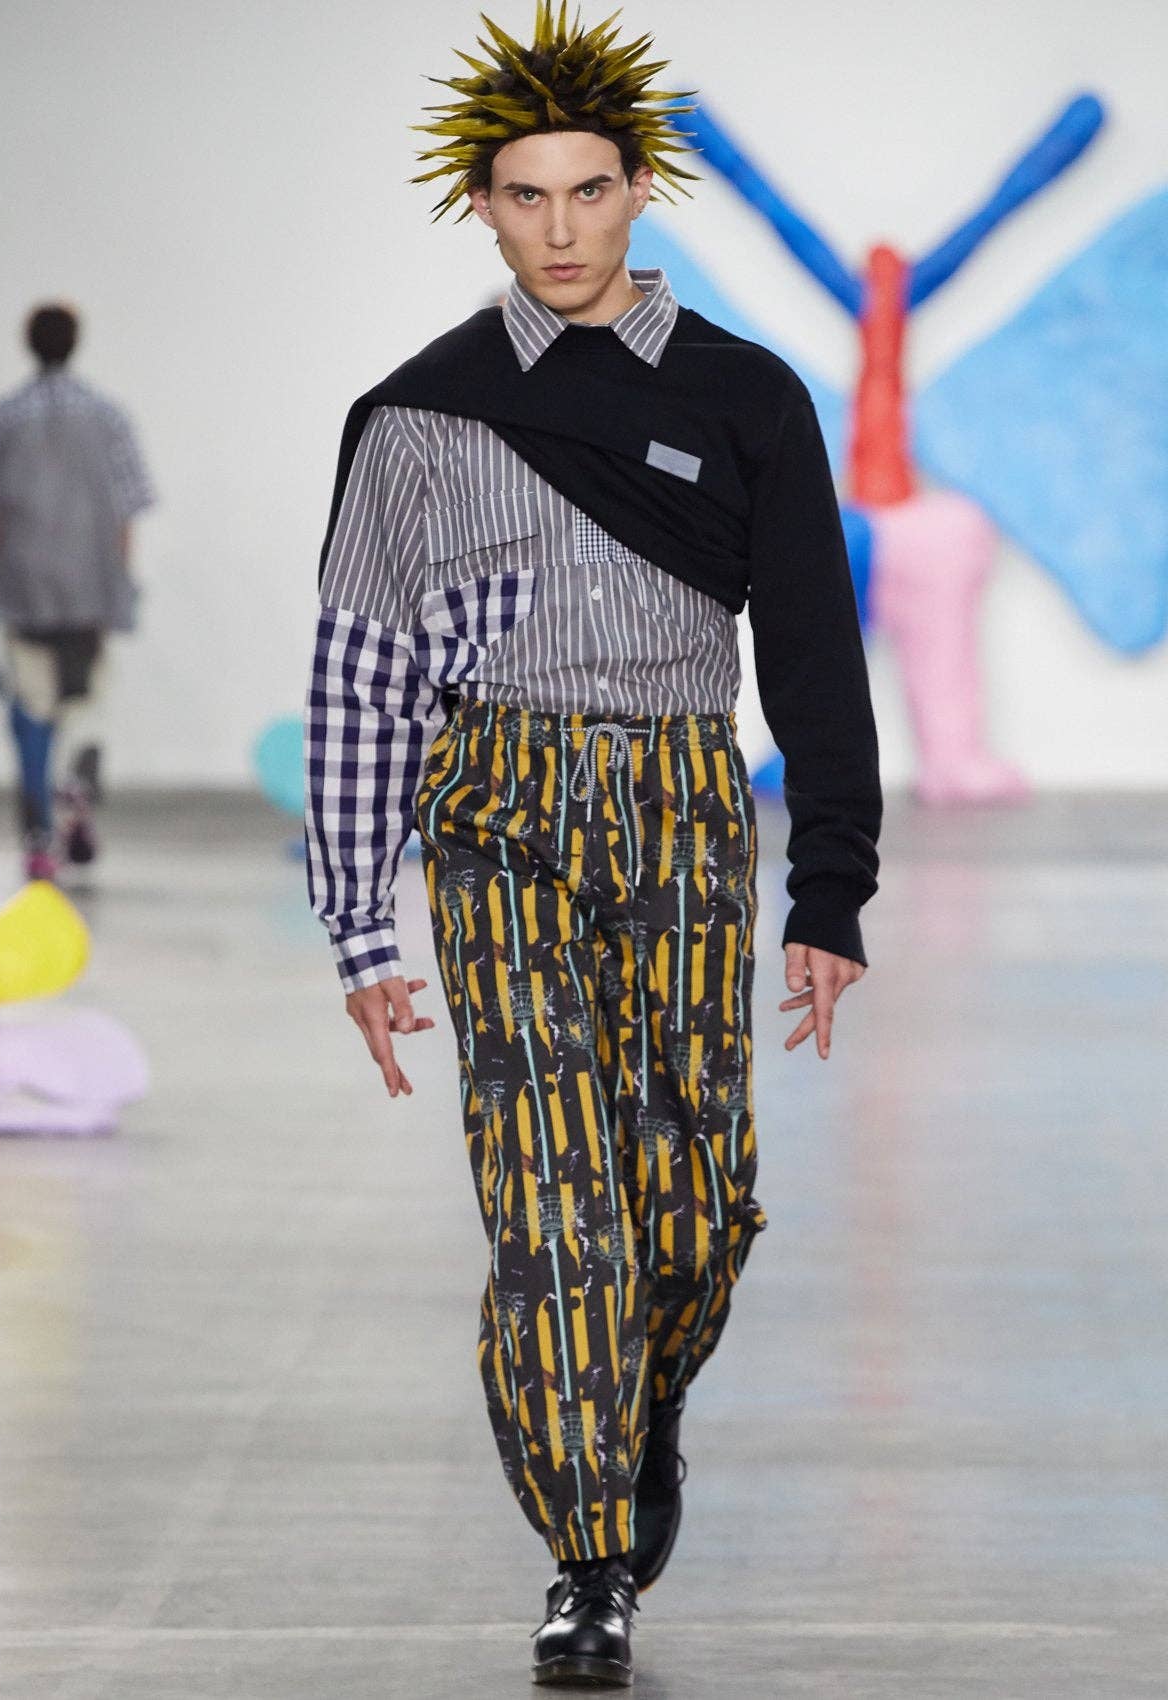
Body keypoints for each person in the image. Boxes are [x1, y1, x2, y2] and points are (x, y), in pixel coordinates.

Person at [304, 4, 882, 1686]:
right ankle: (590, 1555)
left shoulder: (747, 396)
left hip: (686, 806)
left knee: (691, 1199)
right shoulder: (421, 414)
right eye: (525, 196)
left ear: (638, 191)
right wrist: (360, 925)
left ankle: (633, 1409)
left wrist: (831, 888)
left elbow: (813, 650)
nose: (559, 229)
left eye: (587, 191)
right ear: (481, 206)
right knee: (553, 1193)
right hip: (500, 814)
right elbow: (365, 672)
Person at [0, 302, 155, 880]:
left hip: (23, 587)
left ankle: (37, 835)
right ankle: (75, 788)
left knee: (31, 708)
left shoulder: (1, 417)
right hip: (89, 589)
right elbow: (126, 513)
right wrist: (119, 587)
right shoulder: (109, 416)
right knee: (83, 704)